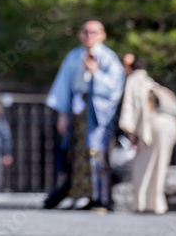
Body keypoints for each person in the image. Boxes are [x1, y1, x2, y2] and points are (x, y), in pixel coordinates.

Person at [45, 19, 124, 212]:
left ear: (102, 35)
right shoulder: (73, 57)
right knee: (77, 154)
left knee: (97, 153)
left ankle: (101, 198)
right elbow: (64, 87)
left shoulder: (109, 58)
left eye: (94, 32)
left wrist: (96, 74)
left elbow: (115, 88)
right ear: (80, 34)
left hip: (98, 115)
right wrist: (63, 115)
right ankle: (81, 195)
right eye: (86, 32)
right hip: (78, 113)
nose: (89, 36)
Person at [118, 54, 176, 214]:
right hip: (171, 123)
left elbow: (131, 107)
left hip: (154, 123)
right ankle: (157, 204)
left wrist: (131, 133)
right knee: (160, 164)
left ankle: (141, 203)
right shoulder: (149, 81)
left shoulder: (133, 79)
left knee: (143, 164)